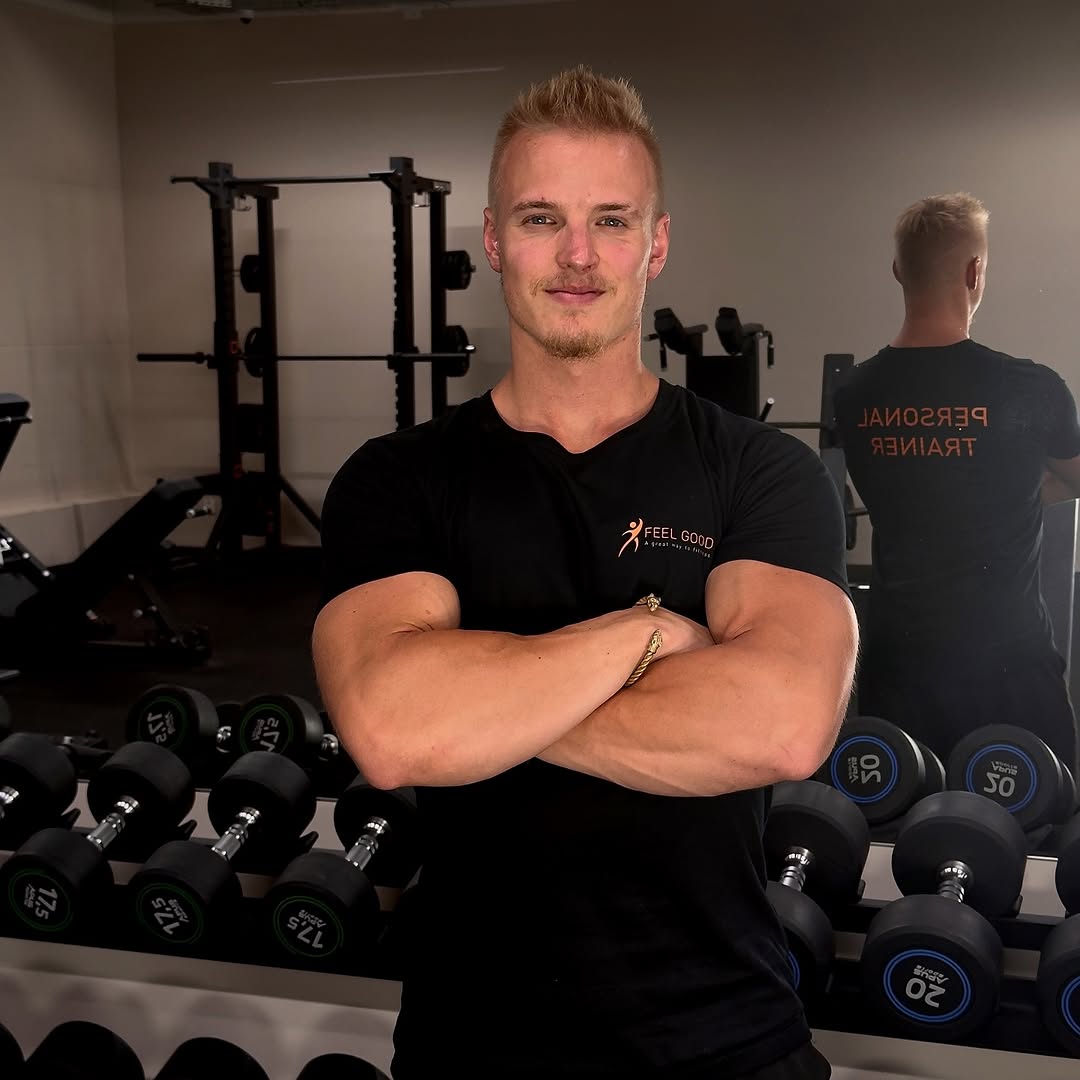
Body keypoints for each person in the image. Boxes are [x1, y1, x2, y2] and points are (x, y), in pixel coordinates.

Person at [314, 66, 856, 1080]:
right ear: (493, 239)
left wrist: (480, 709)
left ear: (657, 242)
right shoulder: (399, 480)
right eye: (541, 219)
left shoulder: (759, 471)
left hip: (725, 1039)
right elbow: (390, 730)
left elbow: (781, 723)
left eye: (611, 221)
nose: (577, 254)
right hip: (472, 1047)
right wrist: (644, 633)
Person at [834, 193, 1080, 780]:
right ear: (975, 272)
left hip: (899, 667)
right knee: (1036, 827)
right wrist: (1015, 487)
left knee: (901, 828)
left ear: (899, 271)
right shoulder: (1031, 387)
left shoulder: (854, 394)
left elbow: (915, 488)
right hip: (1008, 668)